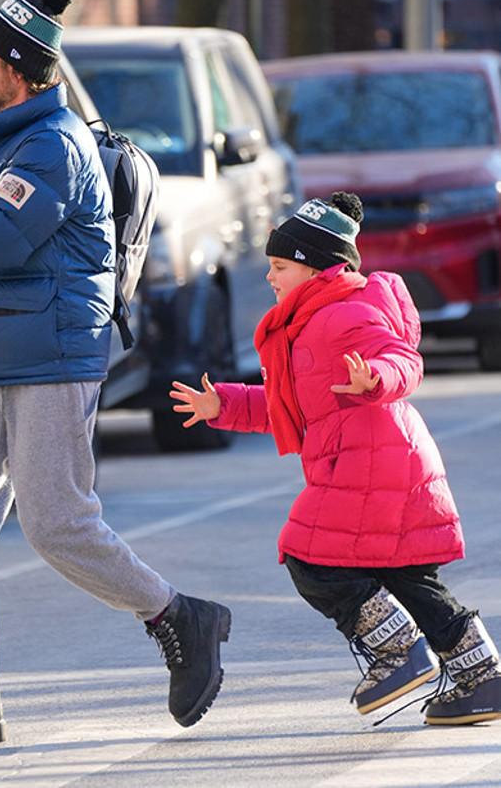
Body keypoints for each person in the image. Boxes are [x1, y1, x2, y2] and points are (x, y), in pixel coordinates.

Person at [0, 0, 230, 748]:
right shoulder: (1, 136)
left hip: (49, 358)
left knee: (57, 523)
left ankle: (179, 615)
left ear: (16, 66)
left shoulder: (51, 144)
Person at [170, 191, 501, 726]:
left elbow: (401, 358)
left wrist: (376, 378)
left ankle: (399, 654)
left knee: (310, 557)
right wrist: (221, 404)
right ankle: (483, 678)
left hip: (372, 463)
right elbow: (291, 406)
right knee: (409, 581)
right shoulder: (310, 321)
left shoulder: (342, 314)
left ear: (316, 268)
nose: (271, 277)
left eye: (280, 266)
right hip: (386, 464)